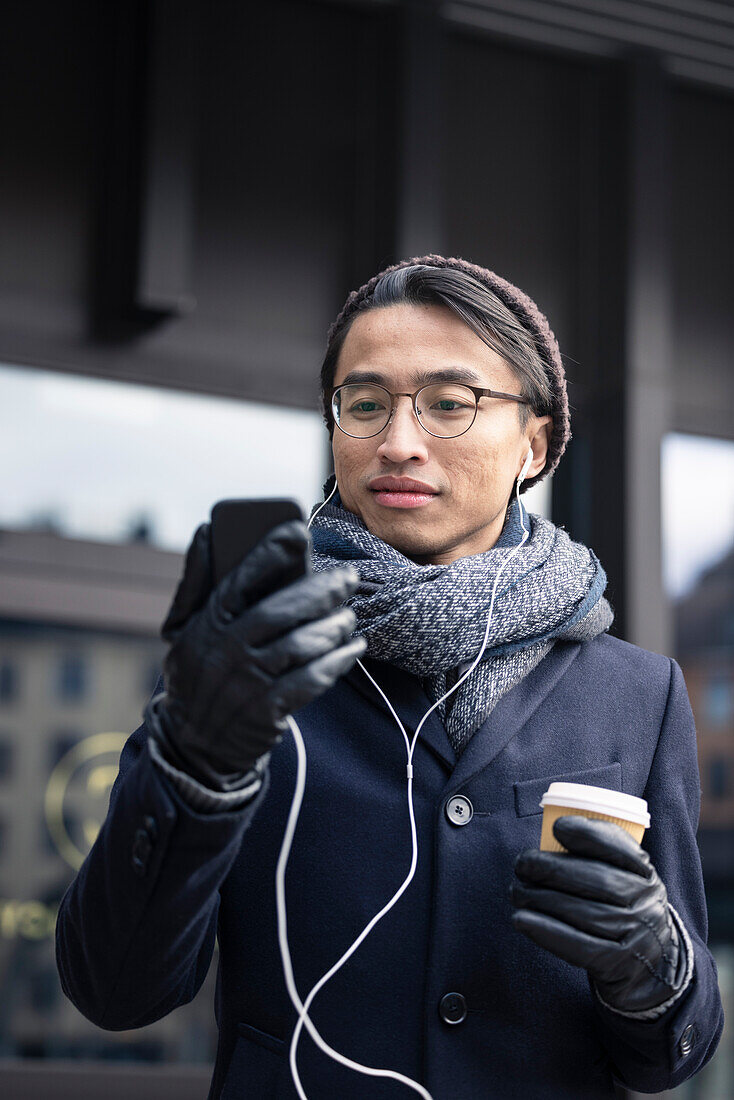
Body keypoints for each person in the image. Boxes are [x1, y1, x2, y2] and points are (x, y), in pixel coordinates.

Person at [56, 255, 724, 1099]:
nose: (398, 441)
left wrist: (655, 966)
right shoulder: (244, 664)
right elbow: (113, 991)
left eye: (450, 404)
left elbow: (675, 1055)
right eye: (365, 404)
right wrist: (192, 762)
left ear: (536, 445)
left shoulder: (639, 694)